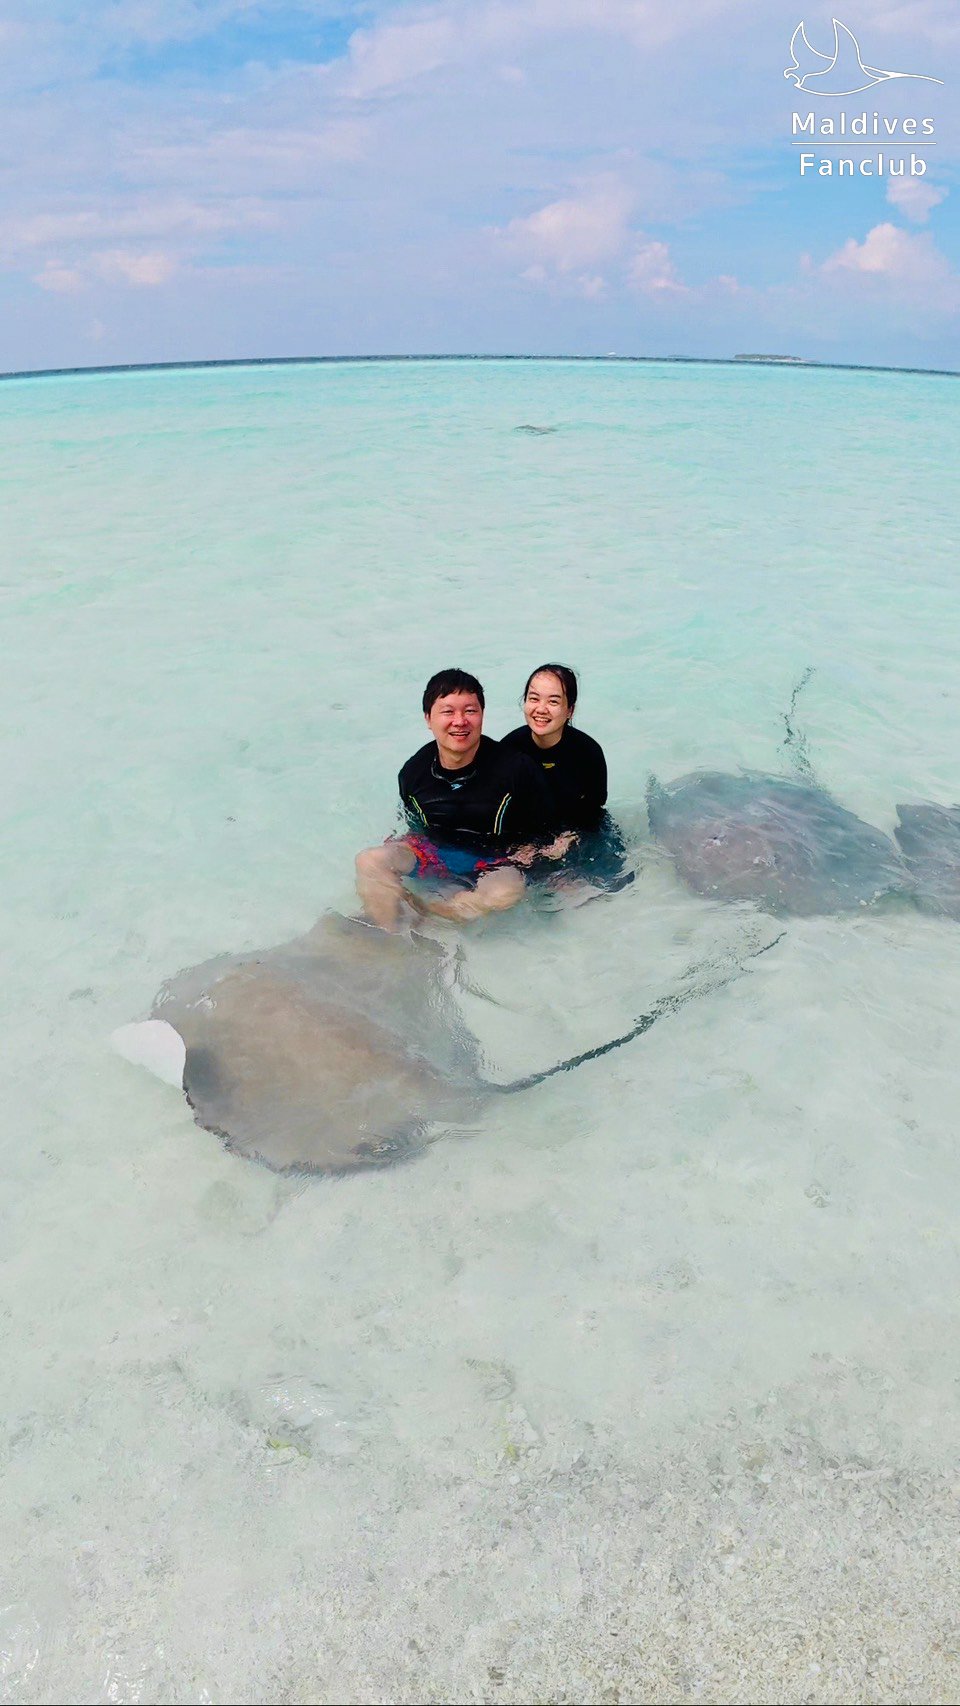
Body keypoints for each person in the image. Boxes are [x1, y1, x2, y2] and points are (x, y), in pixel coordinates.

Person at [356, 668, 558, 930]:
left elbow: (546, 833)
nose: (460, 721)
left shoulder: (517, 770)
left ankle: (430, 914)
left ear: (482, 715)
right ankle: (389, 932)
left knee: (505, 893)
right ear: (428, 718)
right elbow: (414, 826)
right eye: (448, 711)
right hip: (435, 853)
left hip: (494, 861)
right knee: (369, 860)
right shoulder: (413, 773)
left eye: (470, 711)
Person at [500, 663, 632, 891]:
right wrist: (523, 846)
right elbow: (501, 810)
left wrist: (570, 836)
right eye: (534, 699)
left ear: (569, 710)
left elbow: (594, 807)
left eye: (553, 701)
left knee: (615, 884)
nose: (541, 709)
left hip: (581, 828)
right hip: (530, 833)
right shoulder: (509, 750)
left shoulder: (588, 752)